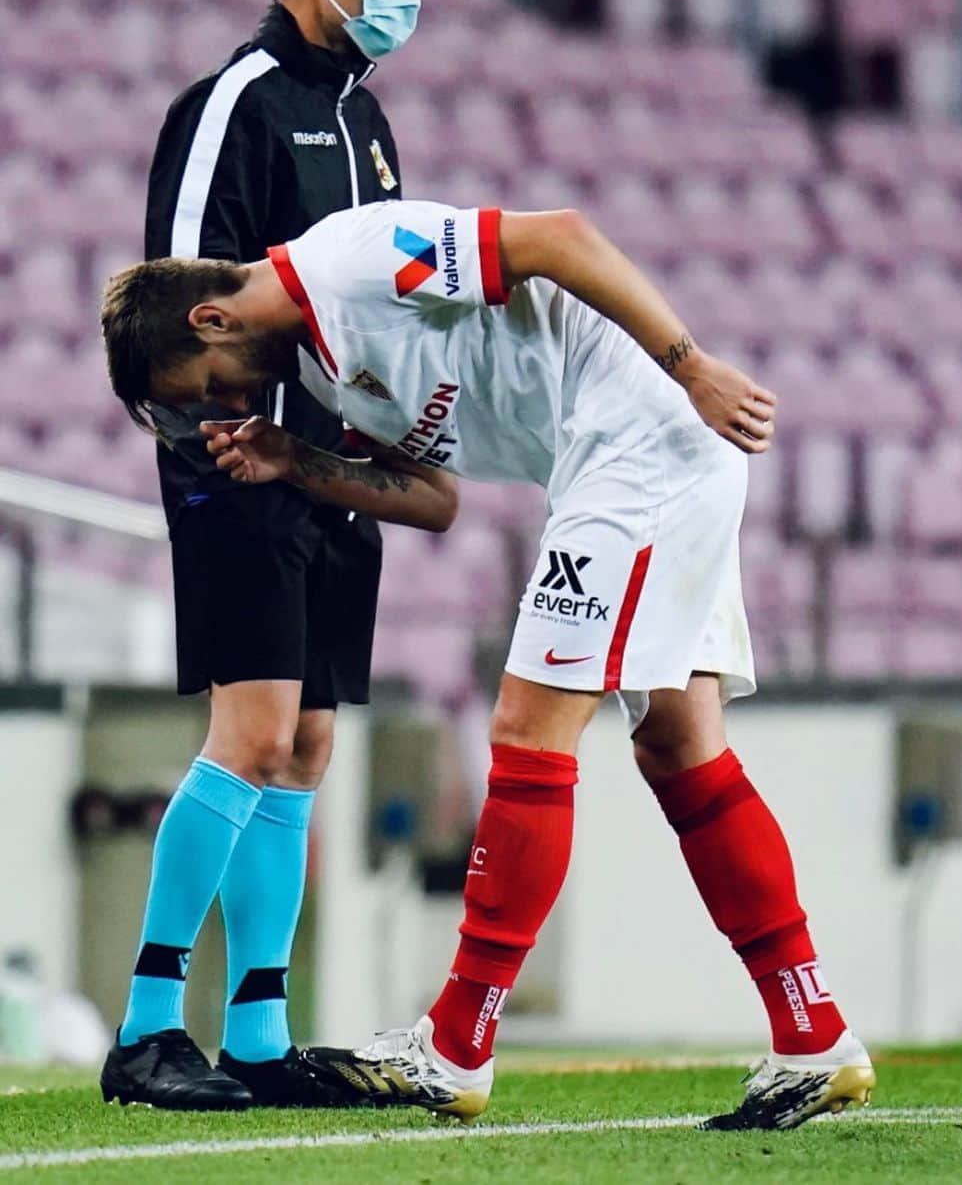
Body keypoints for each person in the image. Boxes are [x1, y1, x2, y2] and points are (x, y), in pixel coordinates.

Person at [100, 197, 876, 1131]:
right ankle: (812, 1032)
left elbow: (558, 238)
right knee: (678, 744)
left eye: (205, 387)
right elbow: (434, 500)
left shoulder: (353, 264)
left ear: (211, 319)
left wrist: (691, 367)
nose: (223, 405)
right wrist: (292, 460)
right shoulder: (324, 365)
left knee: (526, 730)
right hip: (623, 462)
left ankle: (458, 1042)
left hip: (640, 443)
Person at [101, 0, 426, 1111]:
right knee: (249, 734)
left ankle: (255, 1030)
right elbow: (182, 299)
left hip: (338, 471)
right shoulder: (233, 102)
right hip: (245, 464)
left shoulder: (368, 120)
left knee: (308, 743)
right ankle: (144, 1027)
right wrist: (223, 442)